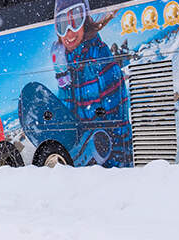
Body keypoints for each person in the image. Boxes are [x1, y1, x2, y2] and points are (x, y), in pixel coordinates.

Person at [51, 0, 129, 166]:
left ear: (85, 21)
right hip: (83, 162)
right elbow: (68, 115)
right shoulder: (64, 61)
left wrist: (118, 169)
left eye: (75, 21)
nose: (69, 33)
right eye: (62, 25)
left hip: (106, 162)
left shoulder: (99, 58)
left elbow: (118, 123)